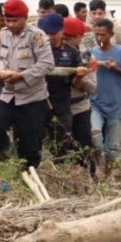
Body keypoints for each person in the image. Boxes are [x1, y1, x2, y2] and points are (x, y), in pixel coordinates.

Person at [0, 0, 54, 169]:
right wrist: (0, 73)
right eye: (8, 20)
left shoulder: (37, 36)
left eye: (15, 20)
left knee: (30, 145)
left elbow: (47, 64)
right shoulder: (4, 34)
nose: (11, 24)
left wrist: (22, 76)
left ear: (25, 17)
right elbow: (2, 59)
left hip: (32, 97)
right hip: (9, 95)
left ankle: (29, 171)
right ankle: (7, 156)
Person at [89, 18, 121, 174]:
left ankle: (107, 175)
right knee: (95, 138)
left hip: (116, 105)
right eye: (96, 35)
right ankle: (96, 168)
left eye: (102, 35)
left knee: (113, 148)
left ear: (111, 34)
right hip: (95, 103)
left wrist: (116, 68)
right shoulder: (92, 52)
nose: (99, 39)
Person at [38, 13, 81, 160]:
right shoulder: (35, 50)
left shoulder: (72, 52)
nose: (49, 37)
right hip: (38, 101)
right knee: (38, 139)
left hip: (62, 103)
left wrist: (80, 76)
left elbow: (76, 84)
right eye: (45, 34)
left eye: (52, 33)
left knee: (63, 140)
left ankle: (61, 170)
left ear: (61, 31)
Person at [63, 17, 96, 173]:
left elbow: (92, 87)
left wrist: (78, 78)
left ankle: (91, 179)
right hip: (58, 108)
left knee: (84, 147)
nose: (66, 42)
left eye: (69, 38)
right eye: (64, 38)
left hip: (80, 107)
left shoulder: (87, 57)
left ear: (80, 37)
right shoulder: (50, 55)